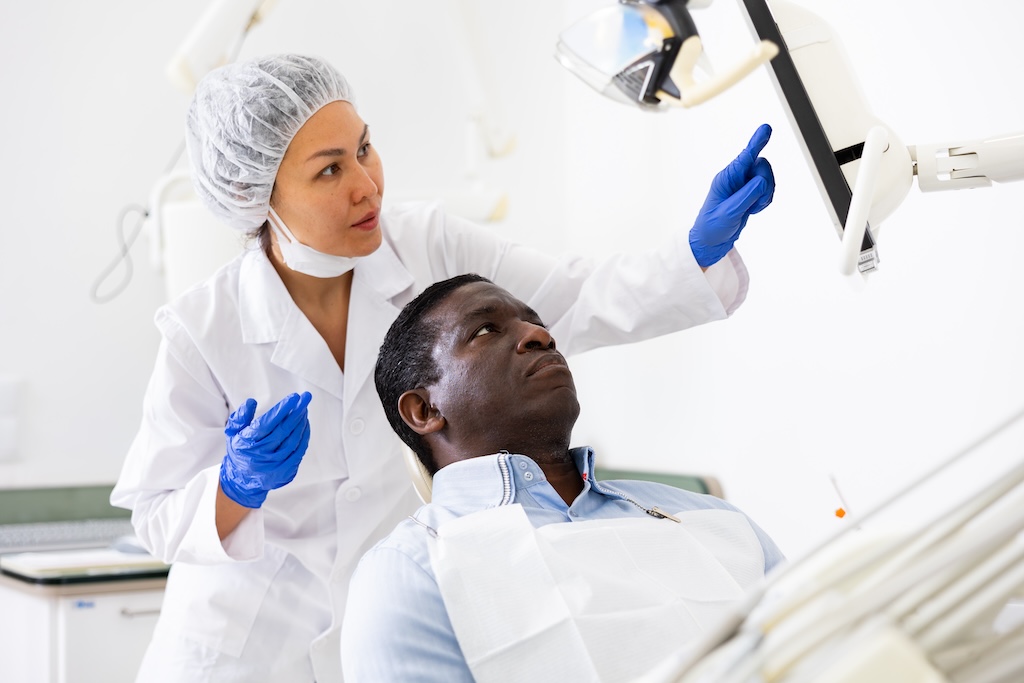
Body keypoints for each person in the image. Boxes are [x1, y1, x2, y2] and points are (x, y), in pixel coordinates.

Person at [109, 52, 775, 682]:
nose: (367, 184)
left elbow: (570, 300)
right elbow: (155, 514)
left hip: (376, 628)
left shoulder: (426, 241)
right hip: (244, 648)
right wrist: (237, 485)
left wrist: (693, 254)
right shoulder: (204, 329)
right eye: (329, 170)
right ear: (255, 194)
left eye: (365, 148)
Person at [341, 274, 784, 682]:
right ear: (425, 410)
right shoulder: (411, 572)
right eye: (485, 331)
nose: (539, 335)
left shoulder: (710, 518)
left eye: (536, 323)